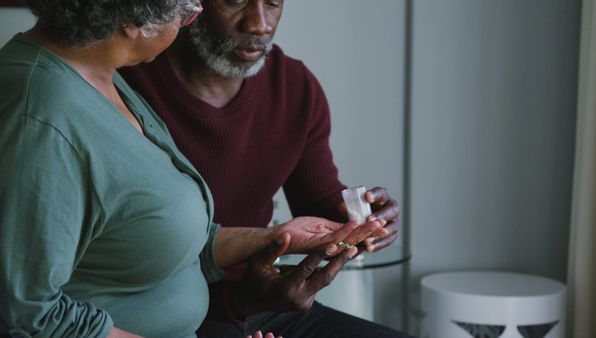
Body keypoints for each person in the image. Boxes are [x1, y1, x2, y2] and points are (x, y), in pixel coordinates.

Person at [0, 1, 384, 337]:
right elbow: (24, 312)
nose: (188, 20)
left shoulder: (100, 77)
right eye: (185, 9)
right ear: (133, 19)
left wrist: (274, 237)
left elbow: (165, 235)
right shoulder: (41, 118)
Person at [120, 0, 409, 337]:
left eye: (273, 2)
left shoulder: (294, 87)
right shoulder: (128, 81)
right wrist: (240, 301)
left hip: (261, 302)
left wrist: (362, 221)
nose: (260, 24)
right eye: (235, 1)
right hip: (156, 313)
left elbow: (319, 204)